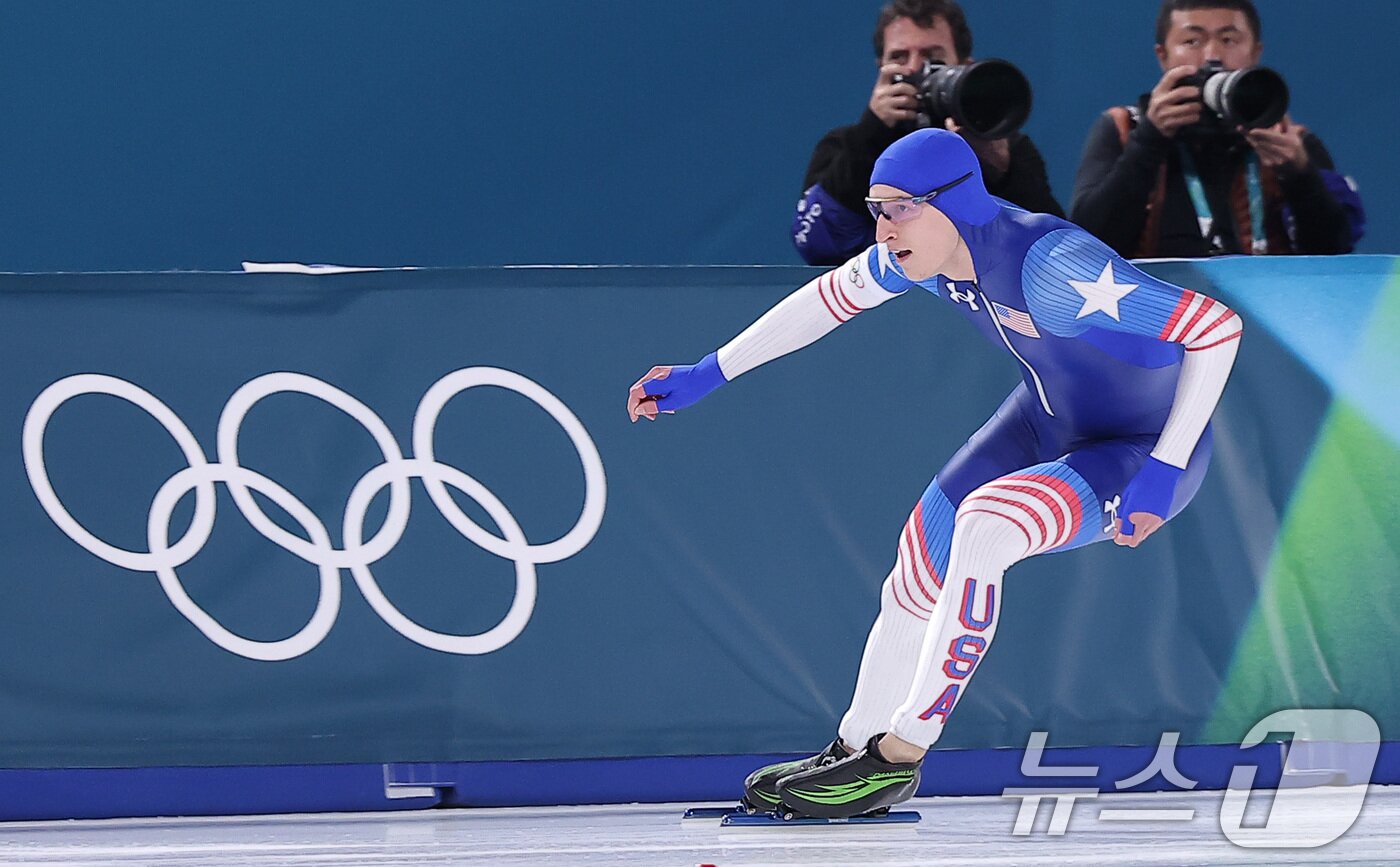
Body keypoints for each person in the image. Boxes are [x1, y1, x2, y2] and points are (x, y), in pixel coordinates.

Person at [628, 128, 1242, 819]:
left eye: (897, 209)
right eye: (875, 209)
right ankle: (856, 747)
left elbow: (1215, 327)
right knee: (921, 559)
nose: (881, 229)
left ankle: (900, 755)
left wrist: (1163, 467)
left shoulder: (1051, 268)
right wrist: (706, 373)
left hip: (1138, 448)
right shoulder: (927, 251)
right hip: (1048, 414)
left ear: (953, 201)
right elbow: (830, 297)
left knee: (987, 523)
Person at [1071, 0, 1363, 258]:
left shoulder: (1287, 139)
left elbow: (1333, 254)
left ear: (1255, 52)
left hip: (1268, 312)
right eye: (1192, 41)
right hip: (1159, 315)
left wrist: (1300, 176)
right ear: (1163, 56)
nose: (1213, 56)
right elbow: (1089, 244)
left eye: (1229, 40)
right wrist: (1149, 140)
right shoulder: (1124, 129)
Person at [793, 0, 1063, 267]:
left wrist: (1002, 170)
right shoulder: (846, 147)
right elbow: (816, 244)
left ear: (963, 67)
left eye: (933, 59)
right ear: (880, 69)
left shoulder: (1003, 148)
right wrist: (871, 133)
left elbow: (1054, 250)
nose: (915, 69)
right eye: (899, 57)